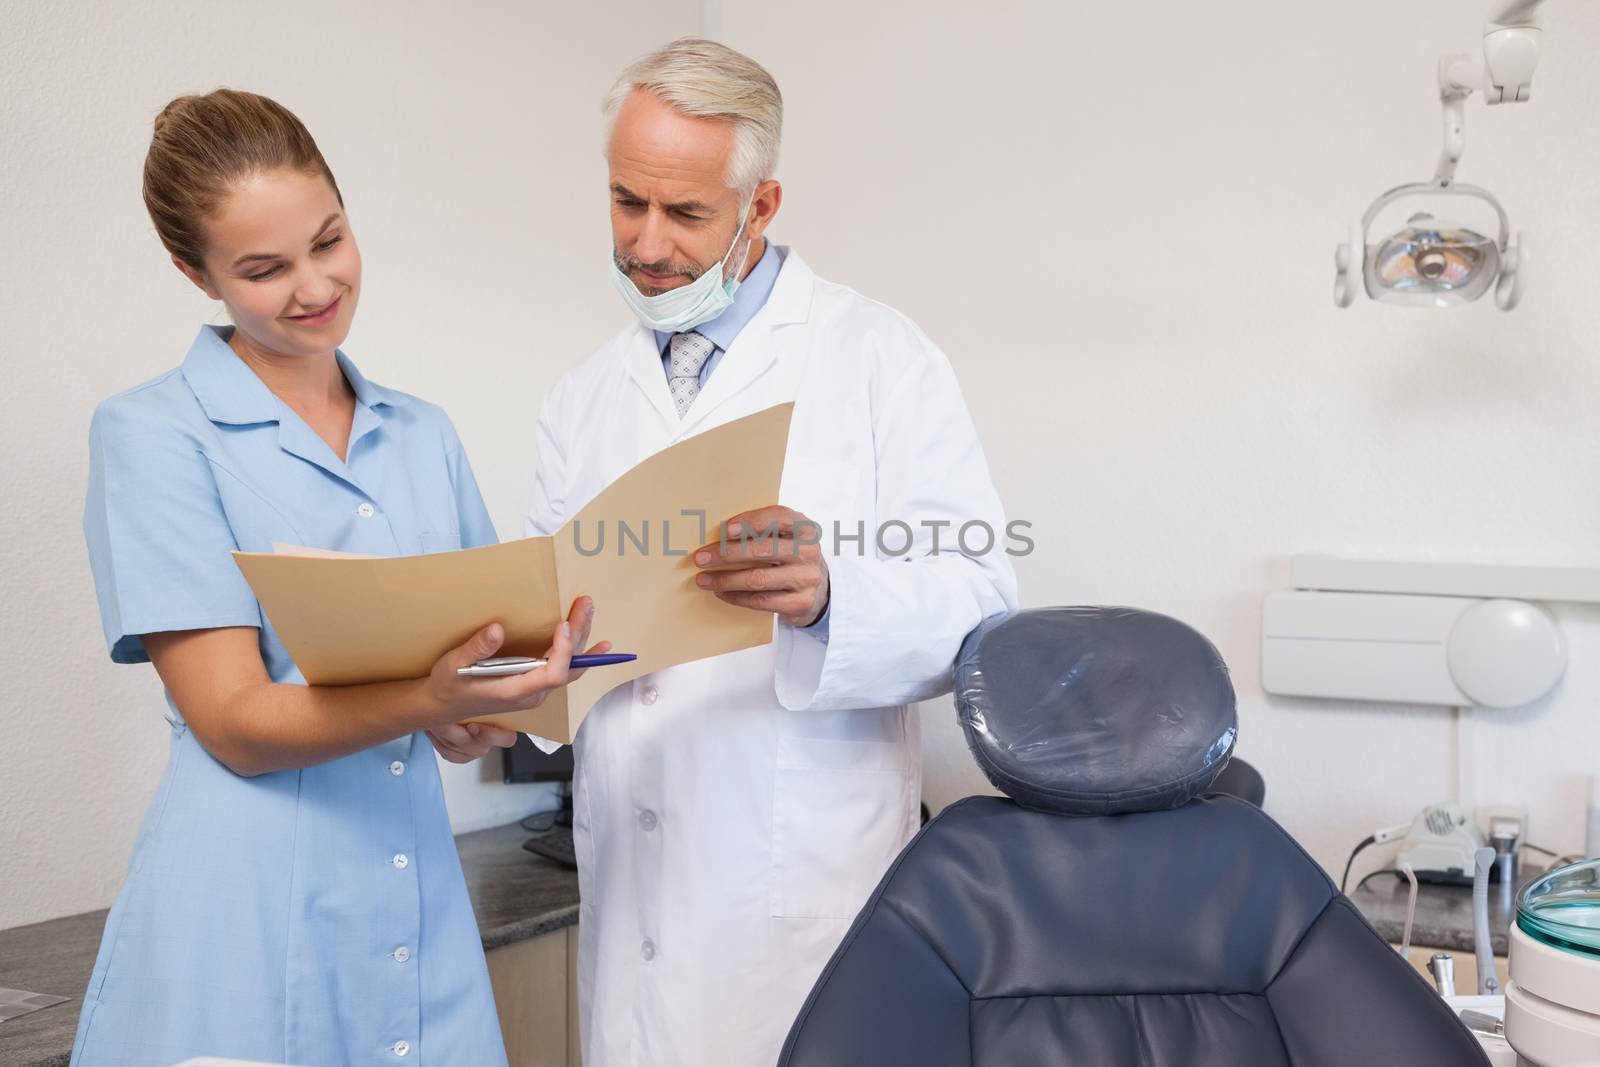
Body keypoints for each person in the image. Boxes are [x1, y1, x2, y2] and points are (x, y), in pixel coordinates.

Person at [73, 89, 601, 1067]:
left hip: (415, 905)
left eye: (330, 239)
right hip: (244, 903)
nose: (315, 285)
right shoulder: (154, 433)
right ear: (195, 272)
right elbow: (232, 721)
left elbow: (457, 718)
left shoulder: (422, 432)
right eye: (265, 268)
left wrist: (482, 705)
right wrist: (426, 694)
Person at [525, 38, 1019, 1066]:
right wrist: (512, 667)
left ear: (762, 204)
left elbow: (981, 605)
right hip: (630, 900)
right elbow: (546, 612)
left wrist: (833, 591)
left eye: (686, 213)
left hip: (800, 904)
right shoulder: (582, 397)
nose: (646, 243)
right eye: (626, 202)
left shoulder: (879, 358)